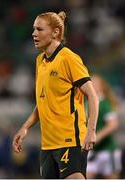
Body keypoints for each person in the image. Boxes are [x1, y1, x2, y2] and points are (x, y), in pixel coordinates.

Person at [12, 11, 99, 179]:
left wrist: (91, 131)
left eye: (39, 29)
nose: (34, 33)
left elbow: (93, 96)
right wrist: (25, 127)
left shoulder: (68, 59)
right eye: (33, 29)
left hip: (71, 141)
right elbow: (43, 102)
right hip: (47, 145)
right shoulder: (40, 61)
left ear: (55, 32)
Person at [87, 74, 122, 179]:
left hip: (107, 151)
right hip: (92, 152)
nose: (91, 85)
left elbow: (113, 124)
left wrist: (97, 136)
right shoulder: (85, 103)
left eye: (95, 83)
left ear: (102, 86)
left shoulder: (105, 104)